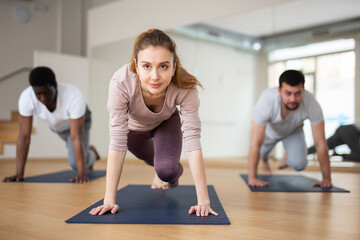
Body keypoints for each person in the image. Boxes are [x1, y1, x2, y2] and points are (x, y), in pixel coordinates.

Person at [89, 29, 218, 217]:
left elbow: (192, 141)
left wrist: (203, 202)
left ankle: (168, 171)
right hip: (133, 131)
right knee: (155, 162)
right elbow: (117, 143)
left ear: (174, 67)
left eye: (163, 66)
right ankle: (159, 165)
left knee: (166, 171)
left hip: (166, 123)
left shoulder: (184, 87)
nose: (155, 76)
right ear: (136, 65)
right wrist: (109, 200)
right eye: (147, 66)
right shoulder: (121, 82)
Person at [2, 67, 99, 183]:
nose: (43, 98)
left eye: (46, 93)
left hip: (79, 121)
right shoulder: (26, 97)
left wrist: (81, 174)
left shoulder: (73, 95)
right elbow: (24, 137)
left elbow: (75, 137)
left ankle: (93, 154)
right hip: (58, 126)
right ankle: (87, 152)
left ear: (55, 86)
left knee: (74, 163)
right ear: (32, 90)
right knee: (75, 150)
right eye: (38, 94)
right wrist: (19, 174)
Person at [248, 70, 332, 188]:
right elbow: (255, 143)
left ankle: (288, 155)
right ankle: (265, 160)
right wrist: (252, 177)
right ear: (279, 90)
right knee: (263, 152)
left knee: (299, 165)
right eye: (288, 93)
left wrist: (326, 178)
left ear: (303, 90)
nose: (293, 99)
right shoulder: (266, 100)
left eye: (297, 93)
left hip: (293, 131)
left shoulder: (310, 102)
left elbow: (321, 143)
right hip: (270, 132)